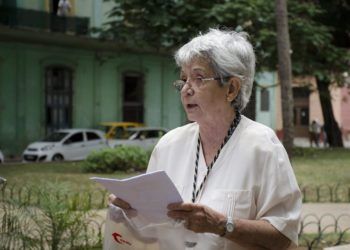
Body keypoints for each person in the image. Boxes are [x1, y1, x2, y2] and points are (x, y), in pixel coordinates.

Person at [109, 28, 301, 249]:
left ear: (231, 88)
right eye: (183, 79)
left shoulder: (263, 146)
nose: (186, 90)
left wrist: (221, 225)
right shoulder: (169, 145)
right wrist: (128, 212)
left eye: (198, 78)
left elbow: (283, 237)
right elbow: (152, 234)